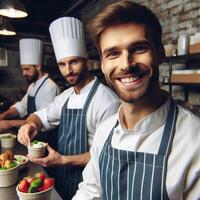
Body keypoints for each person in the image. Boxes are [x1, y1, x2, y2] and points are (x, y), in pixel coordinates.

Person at [72, 1, 200, 199]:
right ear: (103, 64)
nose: (126, 65)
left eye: (139, 48)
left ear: (160, 54)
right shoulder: (104, 131)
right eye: (113, 53)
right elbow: (90, 192)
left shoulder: (194, 140)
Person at [17, 17, 120, 200]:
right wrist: (31, 124)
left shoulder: (107, 101)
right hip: (62, 177)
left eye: (74, 62)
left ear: (86, 60)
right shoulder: (64, 97)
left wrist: (63, 160)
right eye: (62, 64)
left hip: (92, 186)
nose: (68, 71)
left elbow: (108, 155)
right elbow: (41, 116)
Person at [0, 38, 60, 133]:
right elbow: (22, 107)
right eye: (22, 69)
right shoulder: (32, 86)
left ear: (38, 67)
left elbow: (42, 119)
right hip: (33, 134)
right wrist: (3, 116)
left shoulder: (50, 87)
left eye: (27, 69)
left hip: (45, 138)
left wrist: (9, 123)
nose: (23, 73)